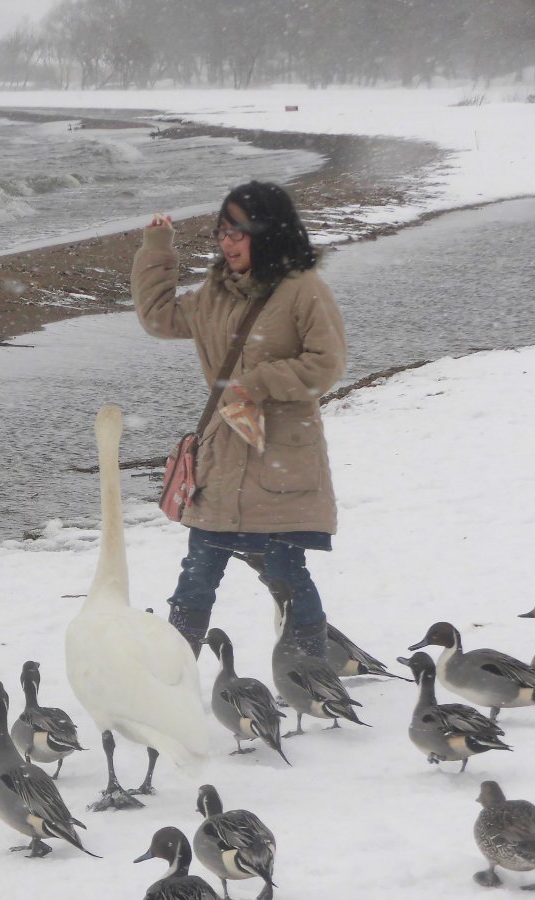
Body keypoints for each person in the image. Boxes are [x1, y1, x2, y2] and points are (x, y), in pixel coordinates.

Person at [130, 181, 346, 658]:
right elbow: (159, 318)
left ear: (268, 232)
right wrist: (157, 249)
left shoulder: (303, 290)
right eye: (221, 232)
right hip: (223, 461)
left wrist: (260, 382)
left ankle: (311, 670)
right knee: (197, 575)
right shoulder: (216, 294)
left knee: (288, 574)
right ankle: (174, 676)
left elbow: (326, 363)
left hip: (282, 460)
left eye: (238, 232)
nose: (227, 243)